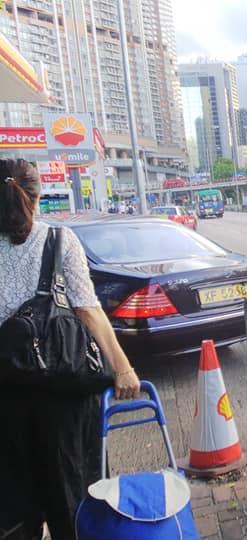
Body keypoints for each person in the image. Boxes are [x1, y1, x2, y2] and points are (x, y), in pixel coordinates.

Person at [0, 159, 140, 539]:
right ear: (37, 196)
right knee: (73, 499)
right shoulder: (58, 240)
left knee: (14, 507)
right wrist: (123, 368)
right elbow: (87, 310)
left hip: (6, 397)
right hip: (63, 392)